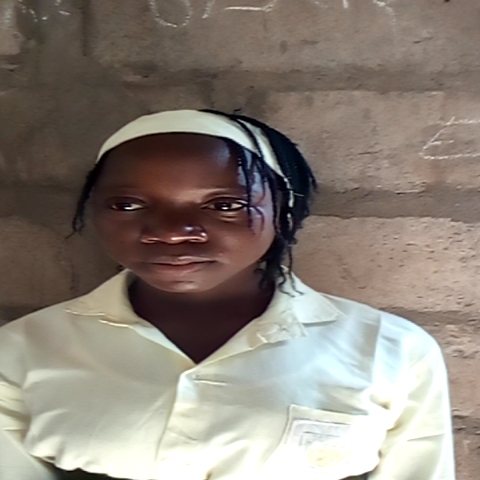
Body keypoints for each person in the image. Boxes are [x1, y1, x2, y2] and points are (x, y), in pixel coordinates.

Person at [0, 109, 455, 480]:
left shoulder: (390, 352)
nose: (172, 233)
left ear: (284, 211)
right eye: (128, 204)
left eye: (225, 205)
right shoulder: (22, 351)